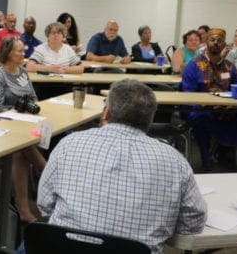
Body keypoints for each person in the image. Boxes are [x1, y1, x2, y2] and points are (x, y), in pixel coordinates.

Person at [36, 79, 207, 254]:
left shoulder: (69, 143)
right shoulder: (175, 160)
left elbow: (44, 204)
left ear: (106, 113)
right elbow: (193, 222)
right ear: (150, 119)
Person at [182, 28, 237, 171]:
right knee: (202, 120)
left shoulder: (229, 67)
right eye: (212, 40)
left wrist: (229, 103)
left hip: (227, 110)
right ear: (207, 43)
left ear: (224, 45)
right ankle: (206, 162)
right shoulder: (194, 65)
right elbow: (187, 94)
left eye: (219, 40)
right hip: (199, 109)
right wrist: (205, 104)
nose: (216, 43)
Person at [0, 36, 48, 223]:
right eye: (19, 51)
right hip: (5, 126)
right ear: (8, 52)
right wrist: (18, 112)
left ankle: (27, 204)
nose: (24, 54)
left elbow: (34, 98)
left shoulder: (22, 71)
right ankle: (47, 175)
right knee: (21, 151)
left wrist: (27, 111)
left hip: (26, 123)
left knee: (28, 145)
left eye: (23, 50)